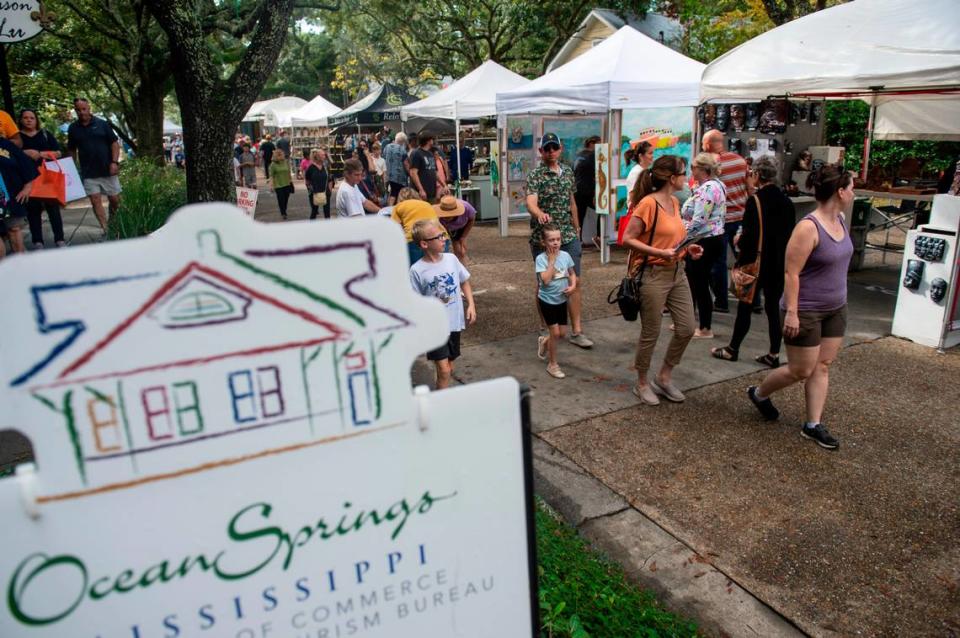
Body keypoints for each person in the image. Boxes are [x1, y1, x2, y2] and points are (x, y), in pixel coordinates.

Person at [747, 166, 854, 450]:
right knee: (800, 370)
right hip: (805, 309)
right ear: (841, 192)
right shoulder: (808, 227)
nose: (854, 192)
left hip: (835, 308)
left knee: (823, 366)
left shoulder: (841, 220)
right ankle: (759, 393)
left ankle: (812, 424)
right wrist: (792, 312)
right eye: (852, 187)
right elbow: (790, 273)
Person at [622, 155, 704, 406]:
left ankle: (664, 376)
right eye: (683, 173)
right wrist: (659, 253)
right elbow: (627, 238)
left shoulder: (674, 203)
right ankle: (643, 382)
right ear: (671, 178)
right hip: (653, 274)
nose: (686, 177)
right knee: (651, 332)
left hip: (677, 271)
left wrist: (686, 250)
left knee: (687, 327)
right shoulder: (648, 204)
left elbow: (672, 237)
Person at [712, 157, 796, 366]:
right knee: (772, 308)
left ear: (757, 175)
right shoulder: (786, 202)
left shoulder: (755, 201)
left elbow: (749, 236)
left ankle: (733, 349)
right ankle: (774, 353)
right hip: (778, 263)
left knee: (745, 306)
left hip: (756, 263)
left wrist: (738, 240)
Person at [526, 132, 592, 348]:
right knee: (545, 281)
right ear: (541, 151)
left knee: (575, 280)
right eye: (547, 148)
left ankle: (577, 331)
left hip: (568, 235)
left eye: (554, 147)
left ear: (560, 149)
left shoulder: (567, 173)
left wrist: (577, 227)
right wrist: (539, 214)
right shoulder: (536, 175)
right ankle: (546, 326)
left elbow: (572, 202)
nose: (551, 151)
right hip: (543, 237)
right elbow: (530, 202)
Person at [409, 218, 476, 390]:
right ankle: (440, 407)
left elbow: (465, 281)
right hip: (434, 328)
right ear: (424, 244)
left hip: (454, 323)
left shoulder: (451, 259)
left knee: (448, 367)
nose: (444, 239)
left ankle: (440, 390)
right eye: (439, 237)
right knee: (445, 370)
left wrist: (471, 305)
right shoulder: (417, 270)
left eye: (443, 235)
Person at [702, 129, 749, 313]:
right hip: (740, 217)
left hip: (720, 221)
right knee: (744, 259)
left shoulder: (711, 165)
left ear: (707, 144)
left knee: (718, 262)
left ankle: (721, 302)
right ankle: (752, 299)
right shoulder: (740, 160)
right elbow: (749, 186)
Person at [681, 152, 727, 339]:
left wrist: (683, 239)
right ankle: (690, 323)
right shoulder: (718, 186)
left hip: (703, 239)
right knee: (697, 281)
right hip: (713, 237)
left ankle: (705, 327)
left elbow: (700, 219)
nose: (691, 171)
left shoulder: (708, 188)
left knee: (699, 283)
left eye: (693, 168)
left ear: (702, 169)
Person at [67, 98, 121, 232]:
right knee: (95, 200)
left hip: (107, 168)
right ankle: (105, 228)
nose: (81, 112)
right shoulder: (73, 128)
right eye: (78, 110)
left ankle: (113, 221)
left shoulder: (102, 124)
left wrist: (114, 162)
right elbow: (72, 149)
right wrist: (70, 168)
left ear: (89, 108)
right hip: (88, 172)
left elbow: (114, 143)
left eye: (83, 109)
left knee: (115, 200)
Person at [535, 223, 578, 379]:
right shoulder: (541, 259)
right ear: (544, 242)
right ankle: (552, 365)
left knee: (561, 334)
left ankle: (544, 342)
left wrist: (573, 285)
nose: (555, 243)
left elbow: (572, 273)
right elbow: (545, 280)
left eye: (558, 239)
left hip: (561, 300)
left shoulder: (566, 256)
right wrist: (552, 261)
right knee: (555, 333)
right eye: (551, 240)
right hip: (547, 301)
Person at [18, 109, 66, 248]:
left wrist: (40, 154)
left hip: (47, 176)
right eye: (25, 118)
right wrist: (24, 152)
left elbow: (58, 152)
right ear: (20, 120)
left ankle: (60, 239)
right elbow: (11, 154)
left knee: (53, 209)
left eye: (32, 118)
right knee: (33, 211)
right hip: (27, 178)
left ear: (36, 120)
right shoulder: (17, 138)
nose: (28, 120)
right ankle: (37, 241)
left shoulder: (45, 134)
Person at [0, 133, 40, 259]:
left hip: (9, 194)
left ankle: (20, 267)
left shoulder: (5, 144)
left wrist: (27, 187)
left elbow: (26, 164)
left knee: (14, 229)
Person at [392, 190, 443, 265]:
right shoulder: (427, 204)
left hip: (413, 239)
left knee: (415, 269)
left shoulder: (398, 206)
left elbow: (394, 227)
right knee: (439, 268)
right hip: (439, 237)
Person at [573, 135, 600, 247]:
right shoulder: (593, 155)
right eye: (599, 144)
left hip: (577, 190)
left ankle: (578, 241)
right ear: (592, 144)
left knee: (579, 216)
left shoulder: (578, 156)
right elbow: (597, 174)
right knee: (603, 211)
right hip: (588, 190)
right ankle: (599, 237)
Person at [435, 195, 476, 264]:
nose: (446, 217)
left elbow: (471, 220)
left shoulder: (467, 208)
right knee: (443, 246)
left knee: (460, 249)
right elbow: (438, 229)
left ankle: (460, 265)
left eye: (448, 216)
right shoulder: (437, 217)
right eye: (444, 215)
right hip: (443, 228)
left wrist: (463, 236)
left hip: (461, 226)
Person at [409, 132, 439, 203]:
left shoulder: (430, 154)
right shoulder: (416, 153)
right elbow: (413, 173)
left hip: (431, 193)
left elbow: (434, 172)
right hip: (420, 194)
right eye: (432, 139)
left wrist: (444, 185)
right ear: (428, 141)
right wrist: (421, 189)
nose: (433, 141)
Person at [304, 148, 331, 220]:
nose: (324, 156)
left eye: (324, 155)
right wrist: (310, 190)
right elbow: (307, 181)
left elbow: (330, 179)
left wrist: (329, 190)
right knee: (314, 211)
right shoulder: (311, 168)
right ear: (317, 156)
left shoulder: (325, 166)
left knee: (327, 212)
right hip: (314, 192)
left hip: (325, 192)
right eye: (322, 155)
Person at [383, 132, 408, 205]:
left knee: (391, 192)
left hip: (388, 174)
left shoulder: (387, 147)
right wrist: (409, 172)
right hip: (399, 176)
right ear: (403, 141)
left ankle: (388, 208)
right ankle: (393, 209)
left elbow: (384, 157)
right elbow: (406, 164)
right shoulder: (402, 149)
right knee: (397, 193)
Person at [268, 148, 294, 219]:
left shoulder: (286, 162)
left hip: (287, 183)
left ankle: (284, 209)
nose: (281, 156)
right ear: (275, 156)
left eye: (281, 154)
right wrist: (271, 185)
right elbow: (271, 176)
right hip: (278, 185)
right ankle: (283, 213)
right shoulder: (273, 165)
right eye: (279, 155)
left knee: (286, 198)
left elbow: (288, 172)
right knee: (281, 199)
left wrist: (290, 181)